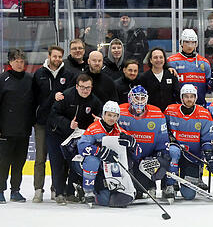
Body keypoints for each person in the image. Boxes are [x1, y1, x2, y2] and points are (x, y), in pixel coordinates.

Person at [47, 73, 104, 205]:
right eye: (82, 87)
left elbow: (100, 116)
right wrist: (68, 124)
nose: (85, 90)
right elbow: (53, 115)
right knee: (58, 164)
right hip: (57, 135)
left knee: (75, 163)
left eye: (88, 88)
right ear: (77, 86)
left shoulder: (94, 101)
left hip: (78, 137)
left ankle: (71, 192)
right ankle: (59, 193)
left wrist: (98, 121)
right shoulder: (66, 96)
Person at [0, 49, 36, 203]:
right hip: (6, 130)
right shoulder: (1, 79)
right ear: (10, 62)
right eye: (16, 61)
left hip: (23, 130)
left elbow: (34, 103)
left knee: (19, 163)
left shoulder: (30, 79)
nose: (19, 64)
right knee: (4, 162)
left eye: (22, 61)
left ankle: (15, 190)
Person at [30, 45, 76, 203]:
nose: (56, 59)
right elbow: (34, 99)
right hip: (42, 123)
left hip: (60, 125)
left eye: (59, 57)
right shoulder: (39, 74)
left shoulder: (68, 75)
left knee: (60, 159)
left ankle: (56, 188)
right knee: (40, 158)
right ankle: (38, 189)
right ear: (49, 56)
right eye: (54, 56)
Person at [75, 101, 138, 207]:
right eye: (109, 115)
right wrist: (99, 152)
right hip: (91, 165)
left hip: (109, 169)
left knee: (107, 199)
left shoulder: (120, 131)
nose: (111, 118)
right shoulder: (94, 128)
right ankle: (87, 191)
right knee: (92, 161)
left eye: (115, 116)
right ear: (103, 114)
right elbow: (81, 146)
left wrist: (133, 144)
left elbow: (138, 153)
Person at [164, 84, 213, 201]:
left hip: (192, 157)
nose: (189, 99)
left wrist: (209, 156)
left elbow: (207, 139)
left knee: (189, 195)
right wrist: (170, 138)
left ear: (196, 98)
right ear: (181, 98)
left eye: (192, 96)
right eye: (186, 96)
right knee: (173, 151)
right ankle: (170, 185)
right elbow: (163, 130)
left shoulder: (204, 114)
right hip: (175, 151)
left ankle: (187, 180)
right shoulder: (170, 111)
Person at [168, 28, 213, 103]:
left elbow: (208, 89)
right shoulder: (171, 61)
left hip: (199, 106)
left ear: (196, 44)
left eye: (193, 42)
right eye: (187, 42)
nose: (190, 46)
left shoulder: (204, 62)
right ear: (181, 42)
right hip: (178, 107)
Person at [138, 48, 181, 112]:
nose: (158, 60)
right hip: (151, 114)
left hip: (169, 113)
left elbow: (178, 94)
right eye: (155, 57)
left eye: (161, 57)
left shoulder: (171, 74)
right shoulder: (144, 77)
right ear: (150, 60)